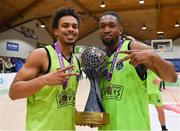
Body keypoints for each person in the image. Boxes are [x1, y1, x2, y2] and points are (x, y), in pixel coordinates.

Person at [98, 11, 177, 130]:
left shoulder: (133, 47)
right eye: (102, 26)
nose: (106, 29)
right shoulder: (100, 56)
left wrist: (153, 56)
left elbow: (172, 77)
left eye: (111, 25)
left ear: (120, 30)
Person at [9, 8, 81, 130]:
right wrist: (44, 80)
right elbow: (13, 93)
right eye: (65, 26)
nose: (71, 29)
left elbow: (65, 98)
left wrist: (78, 115)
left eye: (74, 26)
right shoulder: (41, 55)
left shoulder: (76, 61)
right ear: (56, 31)